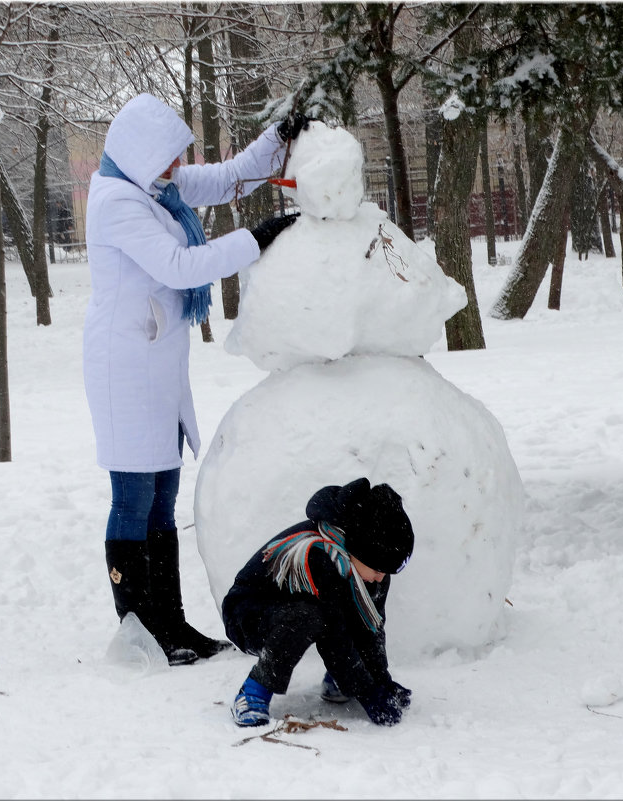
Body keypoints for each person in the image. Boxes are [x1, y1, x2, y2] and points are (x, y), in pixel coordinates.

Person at [83, 94, 308, 666]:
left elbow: (230, 177)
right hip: (125, 367)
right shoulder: (117, 202)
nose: (176, 170)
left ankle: (171, 623)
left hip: (156, 359)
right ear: (139, 156)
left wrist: (278, 140)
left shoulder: (155, 187)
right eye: (167, 159)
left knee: (163, 493)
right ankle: (141, 630)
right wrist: (256, 240)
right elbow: (180, 267)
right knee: (134, 495)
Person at [222, 477, 415, 727]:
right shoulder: (318, 555)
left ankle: (341, 681)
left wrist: (380, 681)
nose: (382, 577)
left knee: (340, 610)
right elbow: (334, 638)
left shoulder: (364, 562)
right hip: (250, 614)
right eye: (379, 568)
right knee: (309, 617)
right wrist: (368, 694)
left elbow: (371, 627)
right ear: (358, 550)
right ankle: (253, 692)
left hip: (300, 610)